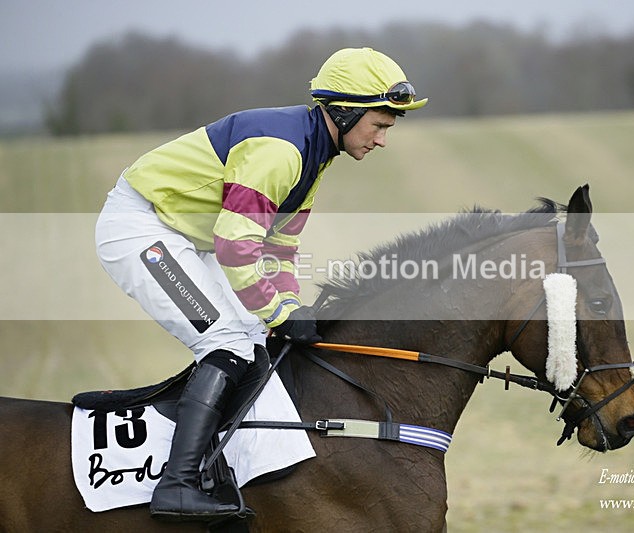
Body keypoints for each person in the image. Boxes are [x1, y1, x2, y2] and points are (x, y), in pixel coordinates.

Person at [95, 47, 427, 522]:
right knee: (226, 341)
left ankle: (215, 470)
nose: (382, 140)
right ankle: (177, 483)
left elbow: (278, 250)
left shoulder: (315, 155)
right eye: (379, 125)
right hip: (141, 229)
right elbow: (235, 246)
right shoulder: (282, 149)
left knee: (252, 341)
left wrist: (289, 307)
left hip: (189, 239)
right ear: (345, 111)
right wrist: (279, 313)